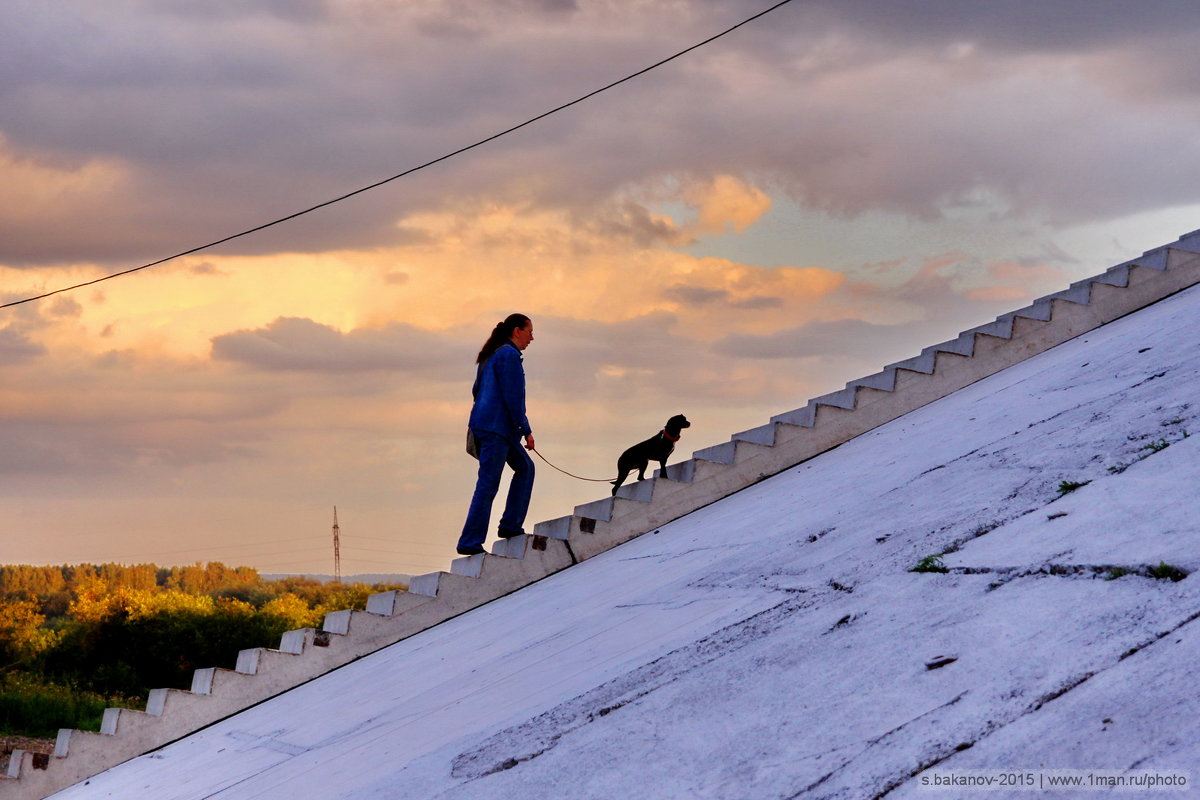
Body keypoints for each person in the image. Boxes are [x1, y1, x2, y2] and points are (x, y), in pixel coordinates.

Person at [457, 313, 536, 556]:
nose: (531, 338)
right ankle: (470, 541)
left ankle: (510, 526)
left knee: (524, 468)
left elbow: (476, 390)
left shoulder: (491, 354)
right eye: (529, 331)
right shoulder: (508, 355)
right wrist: (526, 430)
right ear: (516, 331)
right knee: (488, 484)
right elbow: (514, 397)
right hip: (497, 429)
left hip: (490, 427)